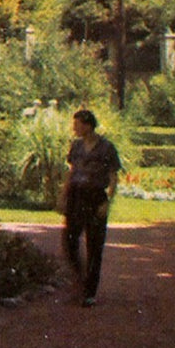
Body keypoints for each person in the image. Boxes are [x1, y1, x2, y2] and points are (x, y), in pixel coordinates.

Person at [60, 109, 121, 307]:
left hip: (95, 198)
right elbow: (71, 172)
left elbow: (113, 176)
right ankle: (80, 278)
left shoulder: (106, 148)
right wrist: (63, 196)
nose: (74, 129)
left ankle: (89, 292)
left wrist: (107, 202)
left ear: (88, 125)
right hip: (76, 197)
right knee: (70, 240)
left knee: (94, 246)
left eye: (77, 125)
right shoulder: (76, 146)